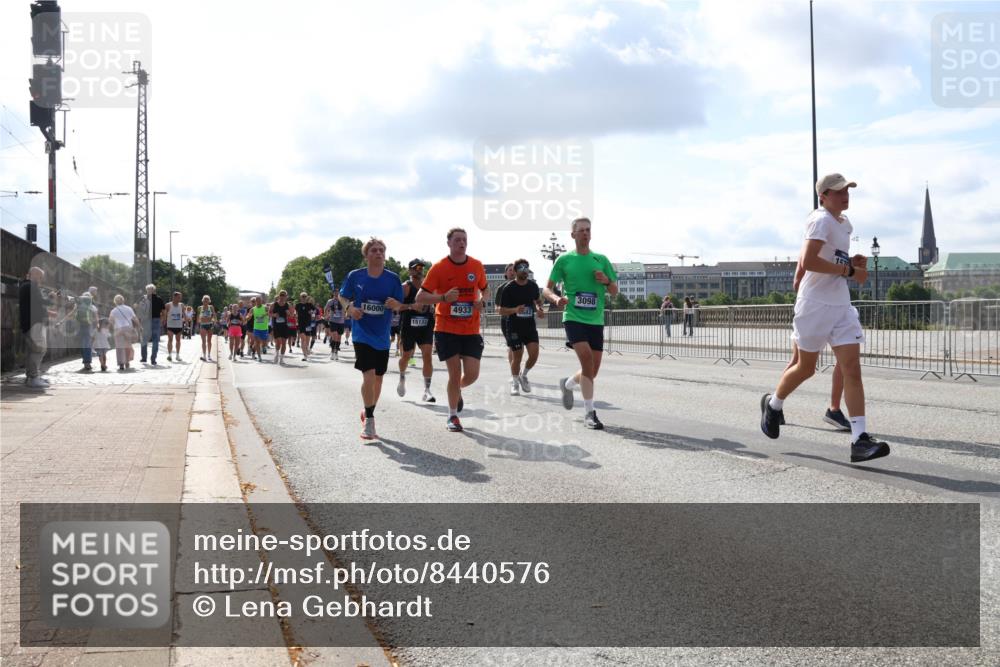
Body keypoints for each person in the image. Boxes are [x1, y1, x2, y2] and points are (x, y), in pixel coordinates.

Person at [760, 173, 890, 463]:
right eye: (838, 191)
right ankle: (774, 404)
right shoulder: (820, 219)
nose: (845, 195)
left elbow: (828, 258)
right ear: (823, 196)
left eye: (847, 190)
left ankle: (860, 440)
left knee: (851, 369)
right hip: (815, 305)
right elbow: (809, 260)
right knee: (805, 368)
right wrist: (848, 271)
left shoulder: (844, 223)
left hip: (840, 305)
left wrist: (850, 262)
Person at [542, 217, 618, 430]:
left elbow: (614, 291)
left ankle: (567, 384)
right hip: (574, 317)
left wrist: (606, 281)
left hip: (596, 320)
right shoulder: (564, 260)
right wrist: (556, 299)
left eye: (588, 230)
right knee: (586, 362)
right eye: (581, 230)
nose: (585, 233)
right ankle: (589, 413)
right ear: (573, 234)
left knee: (592, 371)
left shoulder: (601, 259)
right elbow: (546, 289)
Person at [416, 228, 489, 432]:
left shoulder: (476, 265)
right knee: (455, 373)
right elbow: (420, 297)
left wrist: (481, 301)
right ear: (448, 243)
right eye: (457, 240)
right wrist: (443, 298)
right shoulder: (439, 268)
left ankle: (455, 391)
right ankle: (452, 416)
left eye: (464, 240)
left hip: (471, 328)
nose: (462, 243)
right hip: (446, 327)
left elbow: (486, 290)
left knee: (472, 375)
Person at [339, 238, 403, 440]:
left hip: (382, 335)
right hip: (362, 333)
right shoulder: (355, 276)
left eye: (381, 250)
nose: (378, 253)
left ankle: (367, 410)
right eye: (374, 250)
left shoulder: (392, 279)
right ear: (366, 255)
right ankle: (370, 420)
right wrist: (349, 308)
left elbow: (399, 304)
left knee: (378, 378)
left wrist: (395, 304)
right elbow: (342, 296)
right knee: (369, 374)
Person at [783, 256, 850, 431]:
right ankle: (775, 403)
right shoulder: (811, 251)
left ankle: (834, 410)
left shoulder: (838, 252)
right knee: (798, 363)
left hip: (836, 309)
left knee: (844, 361)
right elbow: (797, 282)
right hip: (811, 310)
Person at [498, 258, 545, 395]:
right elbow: (501, 310)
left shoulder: (533, 286)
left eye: (527, 268)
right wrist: (515, 310)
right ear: (516, 270)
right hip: (514, 326)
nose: (525, 271)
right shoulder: (509, 288)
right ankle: (515, 382)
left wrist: (539, 309)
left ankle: (523, 375)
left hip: (529, 326)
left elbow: (537, 301)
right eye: (522, 268)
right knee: (517, 357)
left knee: (534, 354)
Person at [396, 258, 436, 403]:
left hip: (425, 325)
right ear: (410, 271)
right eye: (416, 268)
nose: (419, 270)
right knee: (406, 355)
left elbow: (435, 301)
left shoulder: (429, 286)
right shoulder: (405, 287)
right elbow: (396, 306)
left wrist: (433, 307)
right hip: (409, 326)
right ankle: (402, 377)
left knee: (427, 356)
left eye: (421, 268)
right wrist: (411, 306)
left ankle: (427, 390)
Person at [18, 266, 54, 388]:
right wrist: (51, 297)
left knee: (32, 351)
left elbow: (36, 305)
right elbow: (43, 302)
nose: (40, 280)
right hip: (34, 325)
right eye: (39, 277)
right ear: (33, 275)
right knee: (39, 350)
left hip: (29, 324)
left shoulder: (25, 286)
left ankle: (30, 376)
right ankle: (33, 378)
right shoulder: (31, 286)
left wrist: (47, 312)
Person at [60, 290, 98, 371]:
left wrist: (61, 322)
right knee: (87, 344)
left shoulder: (78, 305)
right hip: (88, 326)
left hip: (80, 326)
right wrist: (96, 326)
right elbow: (95, 318)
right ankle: (87, 362)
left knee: (83, 344)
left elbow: (70, 314)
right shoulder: (92, 306)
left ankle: (85, 362)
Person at [109, 294, 141, 371]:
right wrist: (139, 326)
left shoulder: (114, 311)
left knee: (119, 347)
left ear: (115, 302)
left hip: (118, 329)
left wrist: (112, 327)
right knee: (127, 346)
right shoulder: (129, 308)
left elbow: (111, 321)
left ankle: (121, 364)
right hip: (128, 328)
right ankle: (127, 362)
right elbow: (135, 318)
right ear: (123, 300)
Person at [493, 264, 516, 366]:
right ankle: (514, 373)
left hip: (522, 321)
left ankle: (516, 370)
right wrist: (509, 310)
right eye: (510, 270)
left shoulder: (524, 286)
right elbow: (497, 308)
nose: (512, 272)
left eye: (514, 270)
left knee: (520, 347)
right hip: (507, 321)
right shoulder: (501, 288)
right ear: (506, 273)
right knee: (513, 346)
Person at [139, 284, 165, 365]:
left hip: (145, 321)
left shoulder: (143, 298)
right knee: (155, 340)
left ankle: (144, 358)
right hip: (156, 320)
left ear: (147, 290)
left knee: (144, 339)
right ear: (154, 290)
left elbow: (136, 307)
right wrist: (162, 320)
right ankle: (153, 359)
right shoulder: (159, 299)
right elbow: (164, 312)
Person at [271, 291, 292, 364]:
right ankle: (276, 354)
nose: (282, 296)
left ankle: (281, 358)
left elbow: (291, 315)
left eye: (284, 295)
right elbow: (269, 313)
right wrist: (274, 315)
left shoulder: (287, 305)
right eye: (281, 295)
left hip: (284, 326)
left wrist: (289, 314)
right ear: (279, 296)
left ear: (286, 296)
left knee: (284, 343)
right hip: (276, 326)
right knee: (278, 342)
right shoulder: (274, 304)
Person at [164, 292, 186, 362]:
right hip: (170, 325)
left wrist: (186, 320)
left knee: (178, 340)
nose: (180, 298)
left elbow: (184, 314)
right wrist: (164, 321)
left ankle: (177, 355)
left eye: (180, 297)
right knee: (170, 340)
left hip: (178, 325)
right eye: (179, 297)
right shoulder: (168, 305)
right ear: (174, 297)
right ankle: (170, 355)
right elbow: (165, 314)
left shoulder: (181, 305)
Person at [325, 290, 345, 360]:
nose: (336, 294)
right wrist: (327, 316)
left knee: (339, 337)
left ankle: (336, 352)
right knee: (334, 336)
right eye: (335, 293)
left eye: (338, 293)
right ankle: (332, 352)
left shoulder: (342, 301)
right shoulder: (330, 301)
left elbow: (347, 309)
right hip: (333, 321)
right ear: (333, 294)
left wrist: (346, 315)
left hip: (341, 321)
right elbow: (326, 309)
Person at [295, 292, 314, 361]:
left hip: (308, 324)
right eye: (302, 296)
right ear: (300, 297)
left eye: (305, 296)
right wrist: (295, 317)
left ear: (306, 297)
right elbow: (295, 313)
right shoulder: (297, 305)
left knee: (307, 340)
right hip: (301, 324)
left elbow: (315, 311)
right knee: (303, 340)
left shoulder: (309, 305)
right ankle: (305, 355)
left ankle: (307, 349)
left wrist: (312, 313)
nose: (303, 297)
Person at [250, 296, 270, 361]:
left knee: (263, 343)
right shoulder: (253, 309)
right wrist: (247, 317)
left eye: (259, 300)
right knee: (257, 342)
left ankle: (254, 349)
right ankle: (259, 357)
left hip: (264, 328)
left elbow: (269, 313)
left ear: (261, 301)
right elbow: (249, 315)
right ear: (255, 302)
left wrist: (264, 314)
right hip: (256, 328)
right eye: (257, 301)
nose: (258, 302)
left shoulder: (265, 307)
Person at [198, 295, 216, 362]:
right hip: (203, 325)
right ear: (202, 300)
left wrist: (214, 320)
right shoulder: (200, 308)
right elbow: (198, 317)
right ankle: (204, 355)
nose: (206, 301)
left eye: (207, 300)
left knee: (209, 340)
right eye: (205, 299)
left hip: (210, 325)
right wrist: (200, 321)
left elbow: (214, 314)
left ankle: (209, 355)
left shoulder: (211, 307)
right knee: (203, 341)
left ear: (209, 301)